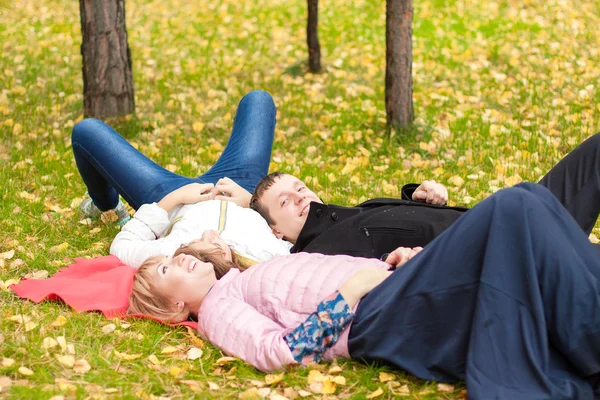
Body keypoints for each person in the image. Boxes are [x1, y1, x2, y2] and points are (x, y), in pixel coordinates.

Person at [128, 183, 600, 399]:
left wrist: (390, 260)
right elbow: (281, 353)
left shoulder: (245, 275)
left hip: (391, 285)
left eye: (172, 256)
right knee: (516, 207)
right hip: (374, 316)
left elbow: (344, 271)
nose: (182, 259)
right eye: (168, 269)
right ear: (173, 307)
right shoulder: (218, 311)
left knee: (529, 201)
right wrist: (350, 293)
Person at [249, 132, 600, 261]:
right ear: (276, 232)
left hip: (511, 220)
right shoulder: (317, 257)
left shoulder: (356, 211)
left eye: (299, 187)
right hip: (508, 250)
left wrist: (418, 198)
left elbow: (404, 228)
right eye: (285, 202)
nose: (298, 197)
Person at [71, 90, 291, 268]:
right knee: (259, 100)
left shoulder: (174, 253)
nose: (209, 234)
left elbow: (123, 247)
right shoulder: (269, 259)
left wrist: (176, 198)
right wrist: (252, 202)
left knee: (86, 131)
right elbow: (313, 233)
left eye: (203, 246)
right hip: (241, 186)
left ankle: (108, 207)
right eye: (217, 247)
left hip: (173, 196)